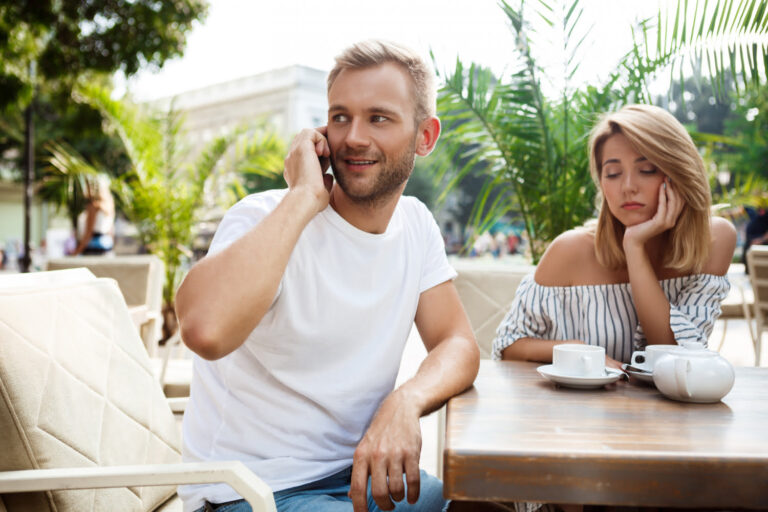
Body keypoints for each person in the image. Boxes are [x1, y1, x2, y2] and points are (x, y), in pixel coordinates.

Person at [174, 40, 479, 512]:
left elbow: (457, 343)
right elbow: (204, 331)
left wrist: (405, 402)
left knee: (489, 499)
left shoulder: (416, 224)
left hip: (356, 475)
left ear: (425, 136)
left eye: (378, 118)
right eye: (340, 117)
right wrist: (302, 197)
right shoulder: (264, 218)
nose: (353, 137)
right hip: (248, 491)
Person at [493, 104, 737, 371]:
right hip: (572, 400)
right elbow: (507, 348)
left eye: (647, 170)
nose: (628, 187)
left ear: (679, 173)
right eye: (612, 174)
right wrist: (575, 350)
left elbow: (674, 356)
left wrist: (634, 247)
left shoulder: (714, 240)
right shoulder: (570, 250)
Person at [71, 174, 115, 255]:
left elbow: (88, 233)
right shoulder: (109, 204)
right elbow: (111, 231)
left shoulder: (93, 206)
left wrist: (76, 252)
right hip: (107, 245)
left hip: (93, 247)